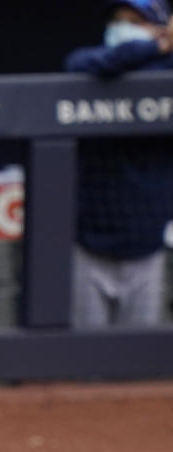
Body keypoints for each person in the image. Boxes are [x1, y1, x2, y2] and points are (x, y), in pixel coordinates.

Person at [64, 0, 173, 328]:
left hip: (148, 247)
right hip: (89, 245)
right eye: (120, 20)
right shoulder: (95, 67)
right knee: (83, 364)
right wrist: (156, 46)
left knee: (137, 366)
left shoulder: (165, 74)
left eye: (137, 21)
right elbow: (78, 63)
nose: (124, 28)